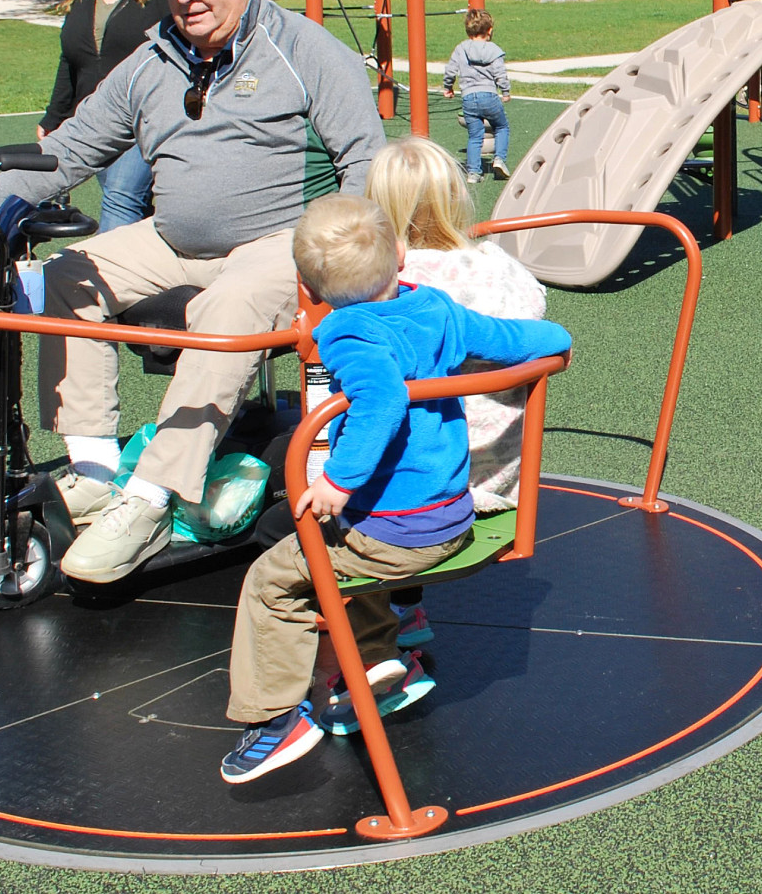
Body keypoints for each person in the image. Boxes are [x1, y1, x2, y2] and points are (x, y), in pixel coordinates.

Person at [0, 0, 386, 583]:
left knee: (229, 306)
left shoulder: (305, 51)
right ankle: (95, 470)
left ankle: (151, 500)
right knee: (69, 273)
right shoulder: (152, 60)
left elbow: (365, 162)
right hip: (175, 237)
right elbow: (66, 152)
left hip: (281, 239)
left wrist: (348, 259)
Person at [218, 193, 571, 783]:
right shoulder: (435, 310)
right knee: (338, 543)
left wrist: (338, 479)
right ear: (402, 255)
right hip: (450, 516)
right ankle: (383, 661)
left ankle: (277, 720)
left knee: (273, 581)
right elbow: (516, 340)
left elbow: (380, 400)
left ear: (310, 284)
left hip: (394, 534)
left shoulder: (347, 334)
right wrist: (557, 338)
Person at [367, 136, 549, 648]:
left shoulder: (393, 283)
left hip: (432, 477)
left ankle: (373, 626)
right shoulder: (499, 265)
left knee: (339, 444)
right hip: (502, 470)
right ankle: (407, 608)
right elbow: (534, 309)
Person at [39, 0, 170, 231]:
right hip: (96, 122)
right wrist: (53, 118)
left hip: (143, 121)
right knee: (133, 204)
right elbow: (70, 61)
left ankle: (111, 277)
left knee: (122, 197)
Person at [442, 8, 512, 183]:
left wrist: (448, 87)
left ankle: (473, 172)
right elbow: (500, 73)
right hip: (489, 95)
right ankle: (499, 159)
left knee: (475, 135)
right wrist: (505, 91)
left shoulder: (461, 49)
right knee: (501, 127)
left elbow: (450, 70)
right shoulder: (494, 50)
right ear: (489, 30)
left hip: (469, 98)